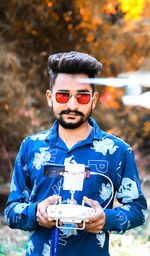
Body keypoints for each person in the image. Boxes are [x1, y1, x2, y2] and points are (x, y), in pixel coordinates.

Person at [4, 51, 147, 256]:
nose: (72, 105)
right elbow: (11, 211)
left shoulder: (118, 151)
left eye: (82, 96)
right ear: (50, 97)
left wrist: (106, 219)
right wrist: (36, 213)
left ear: (94, 100)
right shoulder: (31, 147)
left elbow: (138, 210)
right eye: (63, 95)